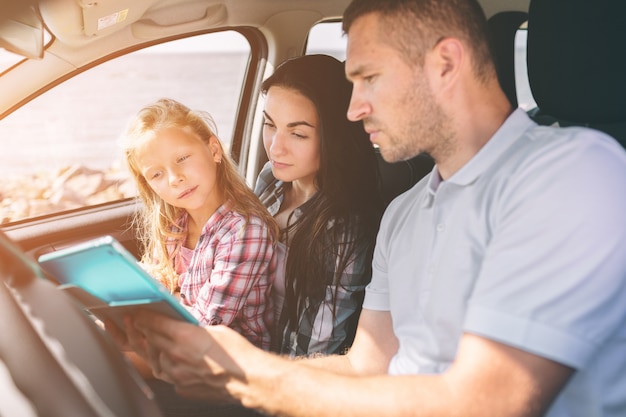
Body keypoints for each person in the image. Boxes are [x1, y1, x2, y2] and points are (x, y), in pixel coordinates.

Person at [119, 1, 626, 416]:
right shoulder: (402, 215)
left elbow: (486, 402)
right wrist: (225, 368)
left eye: (369, 78)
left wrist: (247, 375)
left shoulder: (574, 171)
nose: (353, 107)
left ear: (445, 64)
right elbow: (366, 365)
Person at [119, 98, 278, 350]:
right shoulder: (175, 226)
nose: (174, 179)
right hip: (179, 347)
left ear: (214, 150)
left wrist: (159, 307)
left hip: (234, 364)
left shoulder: (244, 232)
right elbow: (159, 283)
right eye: (157, 174)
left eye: (182, 158)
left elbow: (204, 328)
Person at [255, 54, 384, 356]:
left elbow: (312, 353)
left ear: (334, 137)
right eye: (269, 124)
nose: (275, 148)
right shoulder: (269, 181)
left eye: (297, 133)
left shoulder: (344, 229)